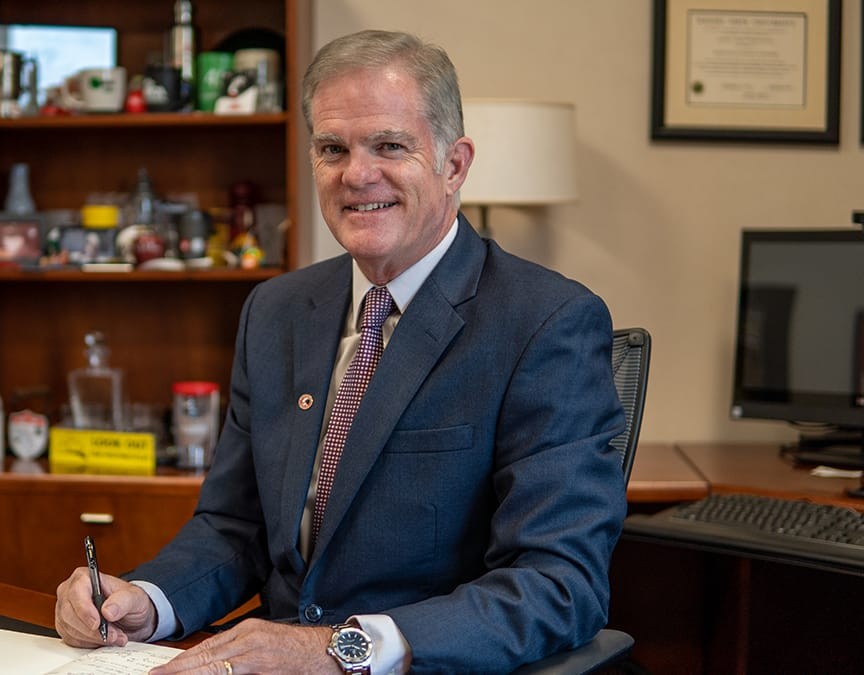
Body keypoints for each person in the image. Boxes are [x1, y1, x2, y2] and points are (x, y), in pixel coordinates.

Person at [55, 29, 626, 673]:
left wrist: (338, 651)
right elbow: (236, 527)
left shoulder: (545, 321)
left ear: (455, 163)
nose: (358, 175)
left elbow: (560, 585)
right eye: (333, 149)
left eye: (390, 145)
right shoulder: (275, 311)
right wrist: (147, 599)